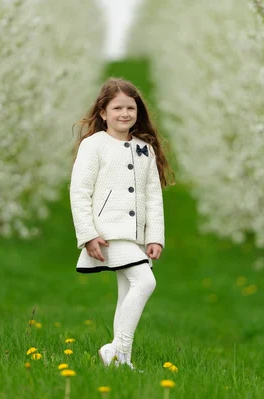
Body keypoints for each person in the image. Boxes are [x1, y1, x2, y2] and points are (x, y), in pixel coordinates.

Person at [70, 77, 174, 370]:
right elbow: (79, 191)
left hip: (135, 237)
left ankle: (121, 360)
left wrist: (155, 237)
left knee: (127, 291)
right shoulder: (94, 146)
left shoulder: (144, 148)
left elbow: (153, 196)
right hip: (108, 233)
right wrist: (88, 234)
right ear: (103, 112)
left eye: (131, 107)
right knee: (145, 282)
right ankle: (116, 348)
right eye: (117, 108)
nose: (125, 113)